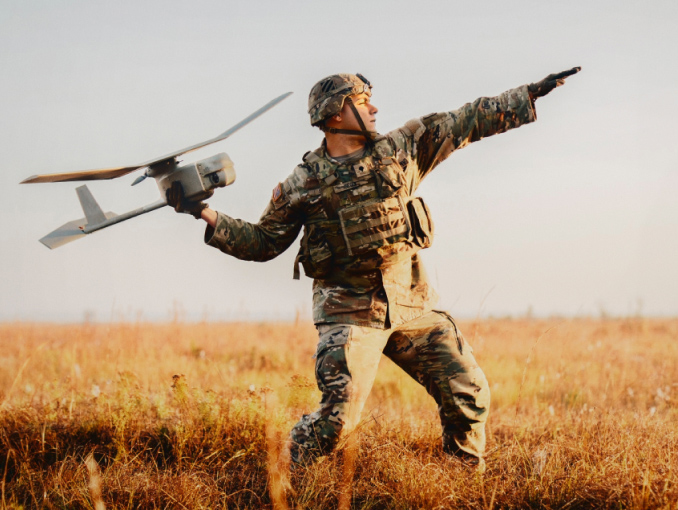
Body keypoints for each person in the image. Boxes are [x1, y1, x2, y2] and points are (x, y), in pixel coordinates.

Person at [166, 67, 580, 470]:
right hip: (349, 315)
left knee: (469, 393)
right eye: (363, 102)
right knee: (335, 426)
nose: (375, 109)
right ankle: (280, 476)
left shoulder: (402, 149)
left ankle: (463, 477)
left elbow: (467, 119)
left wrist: (527, 95)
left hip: (411, 305)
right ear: (335, 115)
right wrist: (204, 212)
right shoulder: (302, 183)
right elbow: (263, 242)